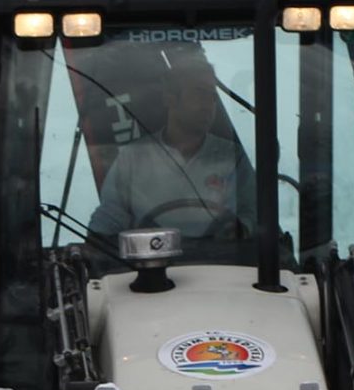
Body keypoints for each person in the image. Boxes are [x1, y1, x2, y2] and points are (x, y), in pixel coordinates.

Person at [87, 49, 258, 249]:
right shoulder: (134, 158)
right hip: (154, 266)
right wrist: (94, 247)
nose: (208, 105)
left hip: (223, 264)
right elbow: (109, 218)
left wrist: (242, 228)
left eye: (211, 96)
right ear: (170, 99)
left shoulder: (231, 156)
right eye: (199, 94)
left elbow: (255, 214)